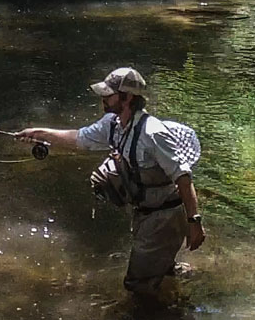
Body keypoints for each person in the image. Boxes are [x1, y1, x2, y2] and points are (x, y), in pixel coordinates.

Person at [19, 67, 204, 298]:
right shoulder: (113, 124)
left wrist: (194, 223)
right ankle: (176, 281)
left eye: (109, 95)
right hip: (146, 212)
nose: (103, 99)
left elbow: (183, 178)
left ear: (127, 97)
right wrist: (40, 133)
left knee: (137, 286)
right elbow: (79, 139)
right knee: (159, 270)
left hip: (165, 217)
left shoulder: (153, 133)